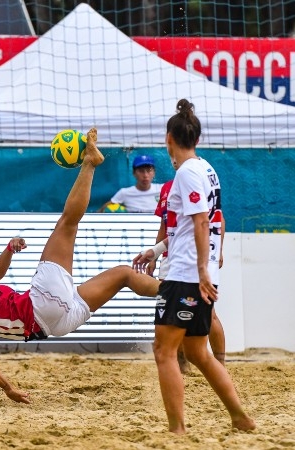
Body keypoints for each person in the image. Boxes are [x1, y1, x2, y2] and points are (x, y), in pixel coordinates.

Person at [0, 128, 161, 404]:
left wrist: (9, 388)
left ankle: (170, 291)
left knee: (124, 275)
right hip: (42, 303)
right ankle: (89, 163)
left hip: (56, 327)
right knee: (67, 223)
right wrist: (9, 249)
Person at [134, 99, 254, 434]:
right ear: (196, 140)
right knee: (199, 353)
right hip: (193, 270)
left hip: (187, 275)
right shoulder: (205, 168)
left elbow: (202, 222)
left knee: (163, 351)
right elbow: (192, 225)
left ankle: (177, 429)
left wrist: (202, 271)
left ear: (169, 139)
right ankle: (239, 417)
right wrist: (156, 250)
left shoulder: (186, 173)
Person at [135, 179, 226, 374]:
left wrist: (218, 250)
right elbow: (165, 226)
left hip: (193, 255)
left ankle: (221, 364)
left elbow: (216, 218)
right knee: (171, 313)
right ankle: (181, 365)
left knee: (208, 313)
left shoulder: (197, 180)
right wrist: (155, 254)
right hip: (170, 257)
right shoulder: (168, 188)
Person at [98, 154, 162, 213]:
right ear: (134, 173)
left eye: (149, 171)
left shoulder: (163, 189)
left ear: (154, 173)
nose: (145, 175)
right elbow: (101, 210)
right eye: (141, 171)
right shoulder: (125, 193)